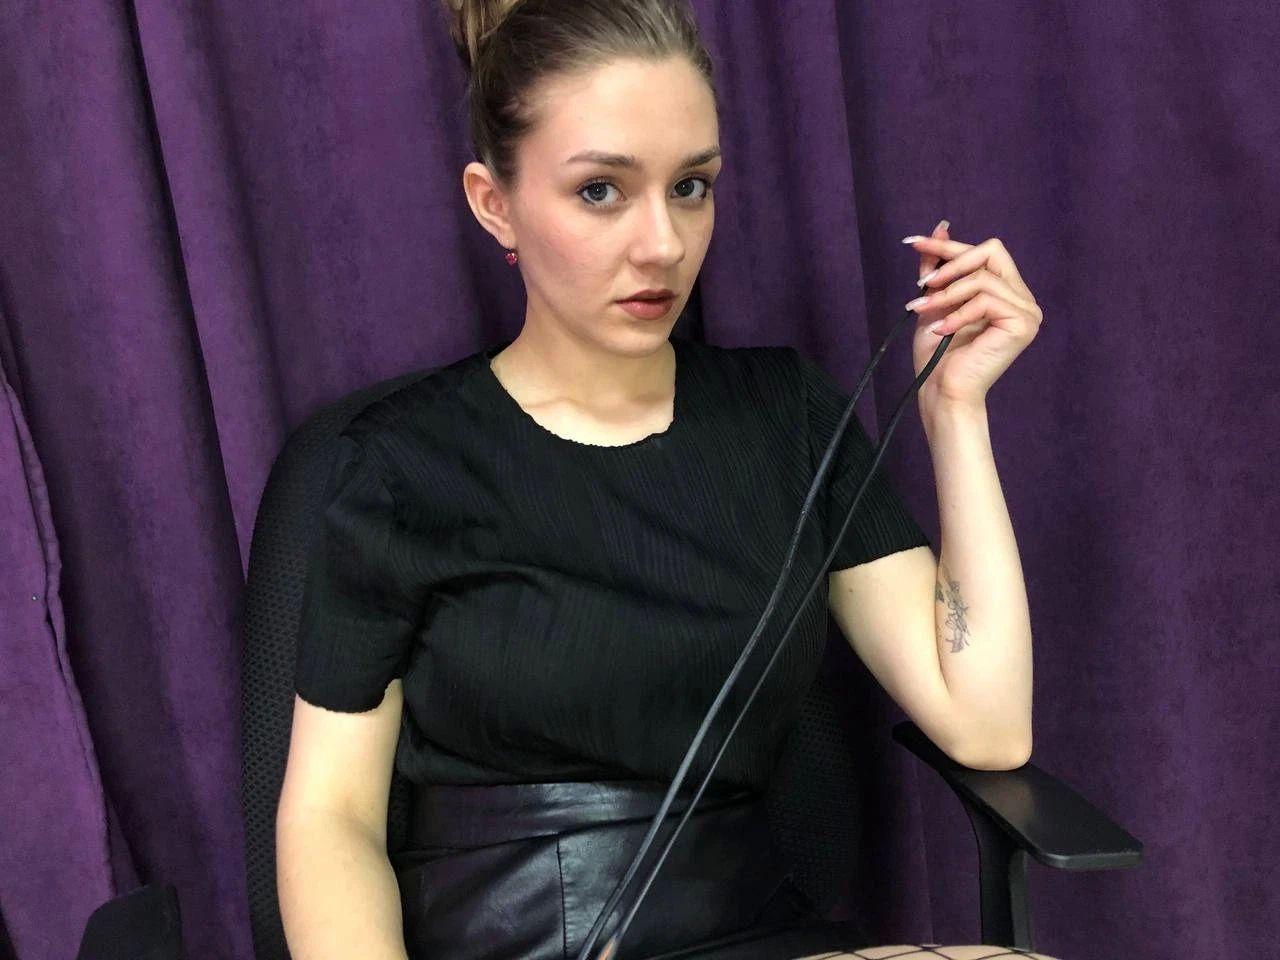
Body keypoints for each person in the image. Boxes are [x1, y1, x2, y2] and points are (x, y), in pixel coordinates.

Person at [275, 1, 1057, 959]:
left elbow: (985, 726)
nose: (663, 244)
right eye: (601, 191)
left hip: (755, 935)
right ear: (494, 203)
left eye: (691, 187)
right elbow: (329, 818)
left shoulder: (785, 415)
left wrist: (956, 410)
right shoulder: (403, 465)